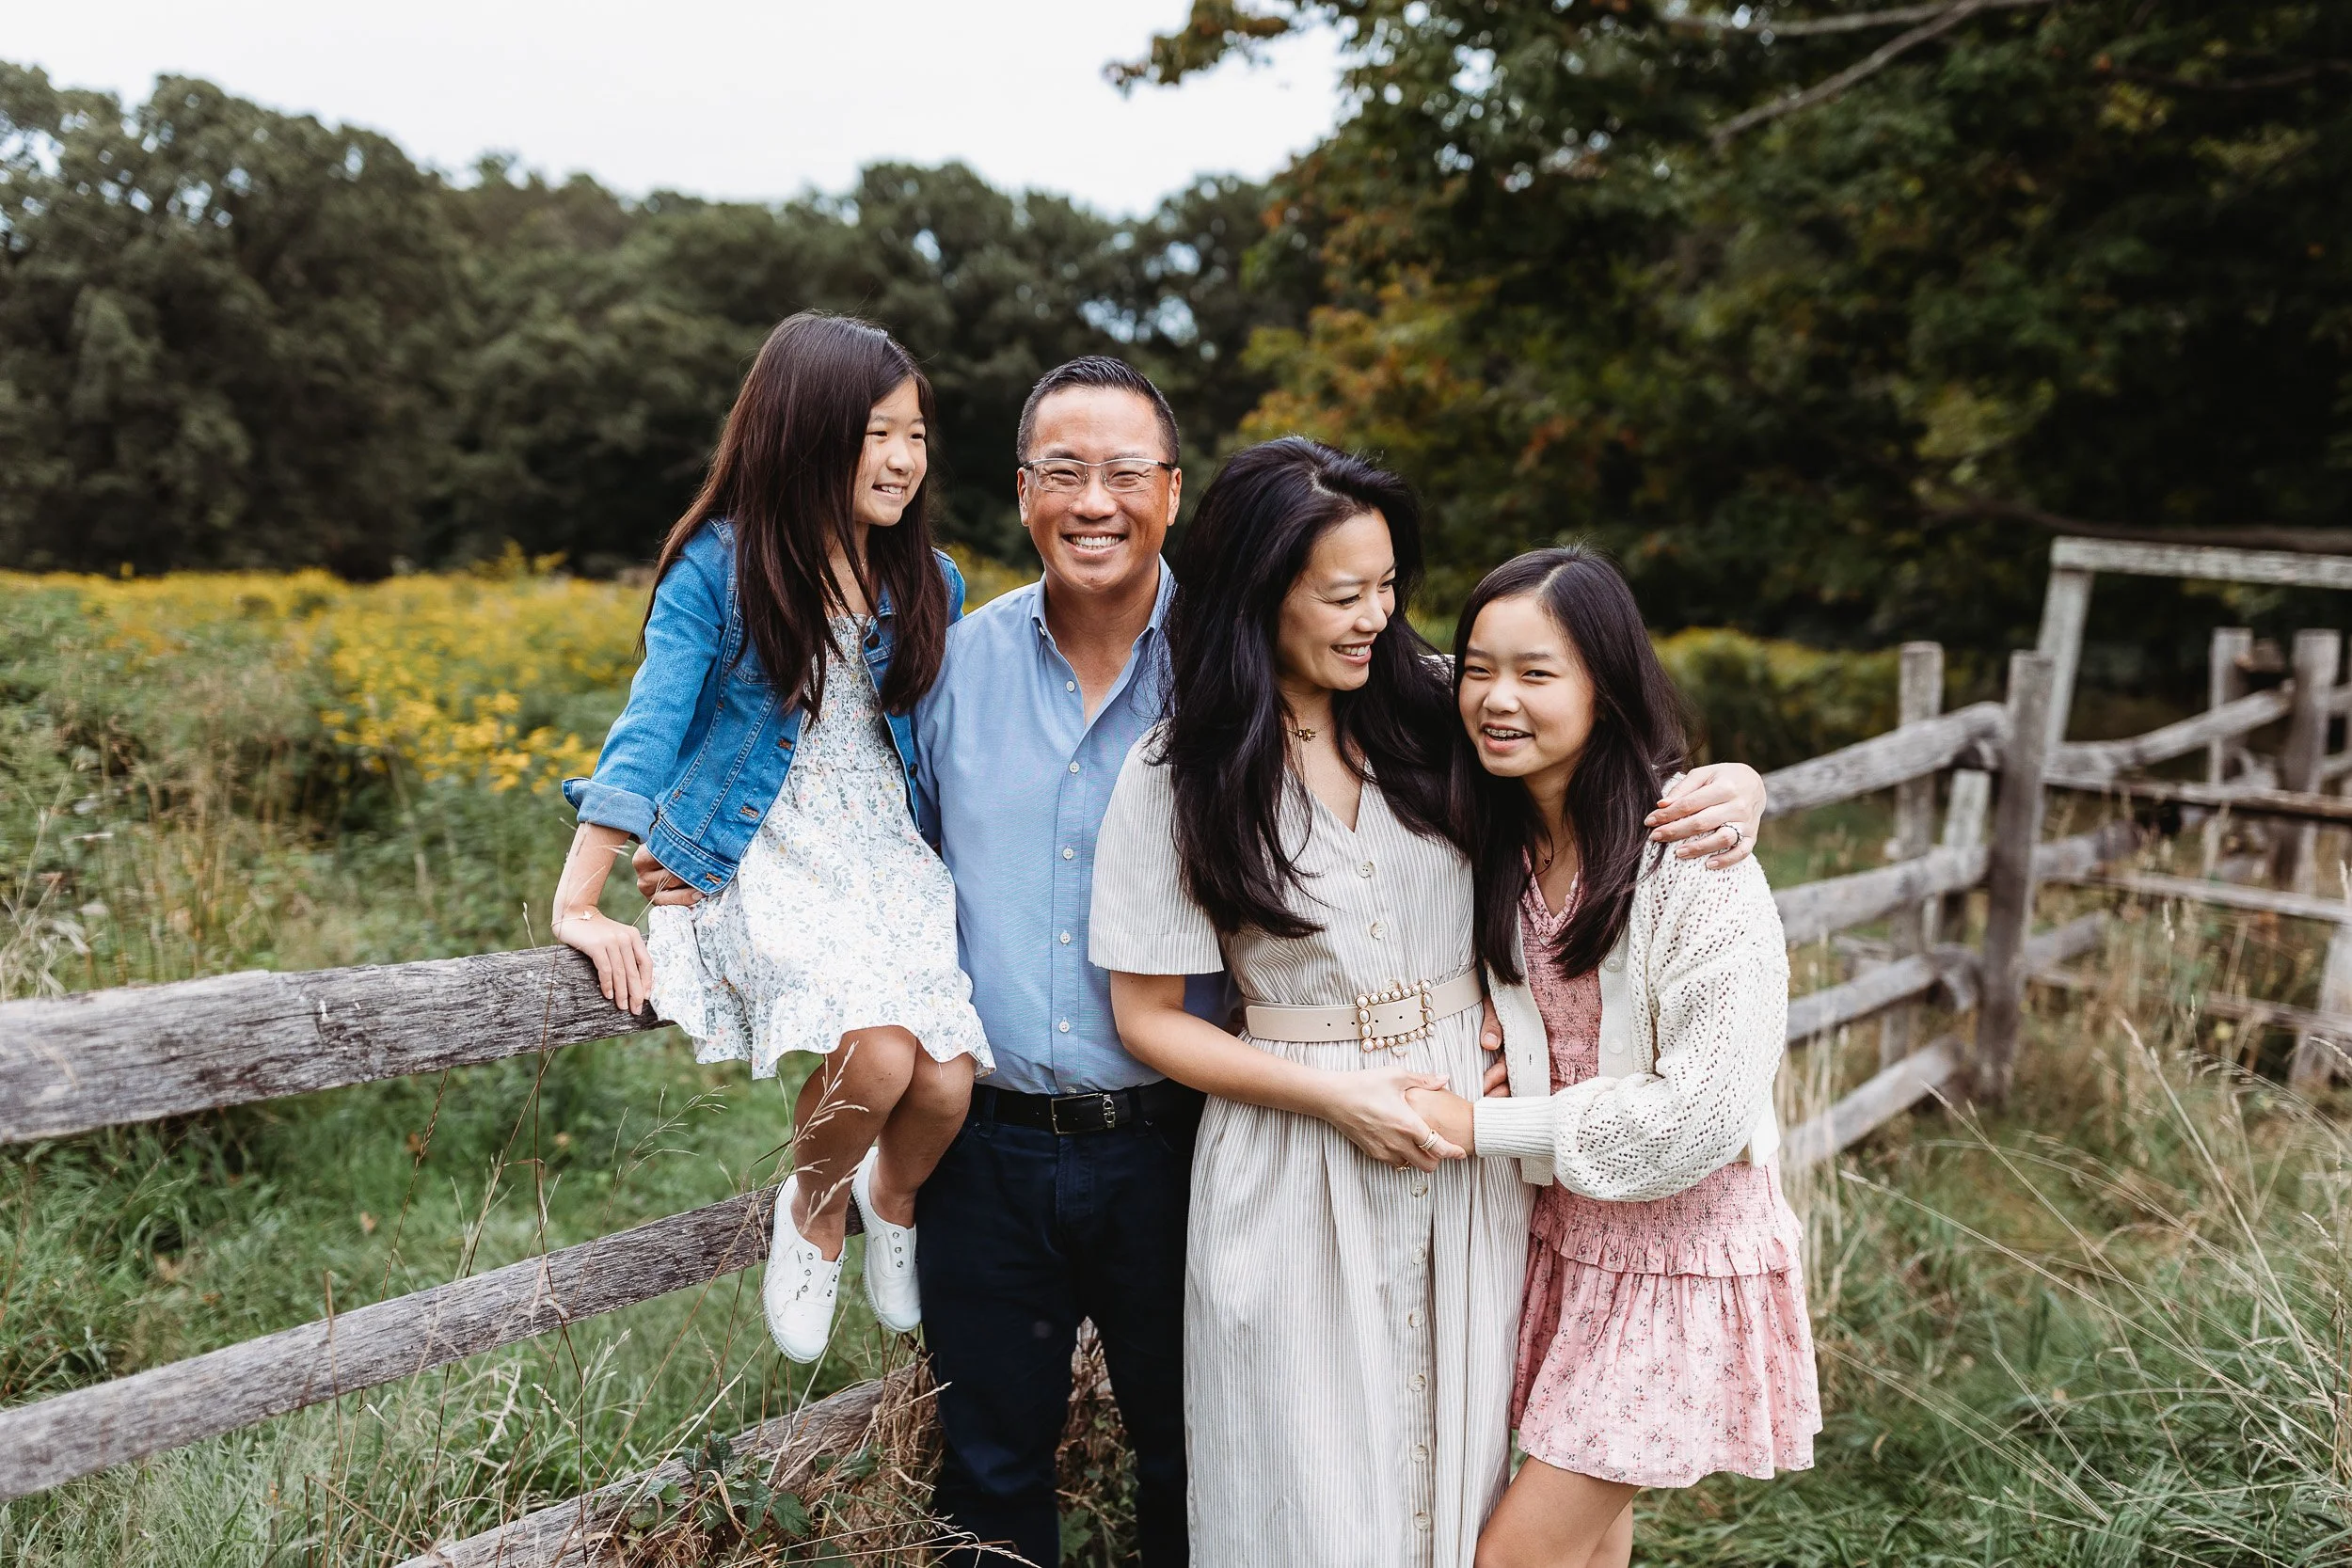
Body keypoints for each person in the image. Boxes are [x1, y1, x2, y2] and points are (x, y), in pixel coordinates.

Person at [642, 361, 1767, 1567]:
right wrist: (686, 849)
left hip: (1308, 1138)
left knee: (1363, 1462)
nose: (1096, 500)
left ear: (1174, 495)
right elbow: (830, 772)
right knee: (1069, 1467)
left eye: (1127, 471)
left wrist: (1727, 788)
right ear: (1021, 492)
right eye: (1064, 471)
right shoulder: (989, 682)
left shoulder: (1399, 699)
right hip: (1083, 1132)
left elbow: (1558, 725)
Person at [1089, 440, 1772, 1568]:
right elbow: (1149, 1018)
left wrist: (1740, 786)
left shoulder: (1431, 708)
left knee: (1464, 1488)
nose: (1376, 618)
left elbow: (1591, 732)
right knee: (1303, 1496)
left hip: (1475, 1141)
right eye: (1344, 594)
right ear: (1261, 591)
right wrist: (1336, 1097)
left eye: (1390, 588)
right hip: (1292, 1150)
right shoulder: (1180, 772)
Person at [552, 311, 990, 1367]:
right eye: (876, 432)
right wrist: (582, 898)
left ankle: (893, 1195)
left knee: (947, 1080)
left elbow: (946, 753)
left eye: (916, 434)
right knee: (879, 1054)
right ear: (805, 431)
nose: (901, 458)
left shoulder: (929, 582)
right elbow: (650, 727)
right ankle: (817, 1207)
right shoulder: (719, 567)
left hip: (885, 858)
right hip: (764, 852)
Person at [1407, 546, 1821, 1568]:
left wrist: (1482, 1124)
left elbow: (1700, 1118)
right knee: (1588, 1546)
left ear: (1608, 684)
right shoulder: (1503, 836)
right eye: (1478, 667)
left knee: (1510, 1556)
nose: (1497, 698)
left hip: (1674, 1252)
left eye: (1538, 673)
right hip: (1567, 1235)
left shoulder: (1691, 861)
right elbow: (1358, 651)